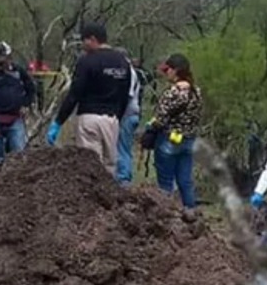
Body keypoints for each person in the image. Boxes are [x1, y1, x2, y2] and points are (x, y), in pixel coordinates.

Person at [45, 22, 131, 176]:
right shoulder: (122, 62)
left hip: (90, 118)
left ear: (92, 39)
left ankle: (92, 199)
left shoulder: (87, 61)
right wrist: (118, 116)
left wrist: (59, 121)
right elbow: (125, 95)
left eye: (84, 41)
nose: (83, 45)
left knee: (90, 165)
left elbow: (74, 94)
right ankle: (108, 197)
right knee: (109, 165)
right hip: (112, 120)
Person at [150, 54, 203, 207]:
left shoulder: (172, 92)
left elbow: (161, 117)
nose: (166, 73)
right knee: (185, 181)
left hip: (169, 139)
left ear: (176, 71)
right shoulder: (197, 92)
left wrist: (151, 127)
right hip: (189, 140)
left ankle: (166, 216)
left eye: (167, 70)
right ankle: (190, 214)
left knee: (165, 182)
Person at [115, 50, 149, 185]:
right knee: (124, 148)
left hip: (127, 115)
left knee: (122, 148)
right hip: (132, 114)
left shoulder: (128, 72)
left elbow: (126, 96)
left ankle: (124, 179)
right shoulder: (130, 71)